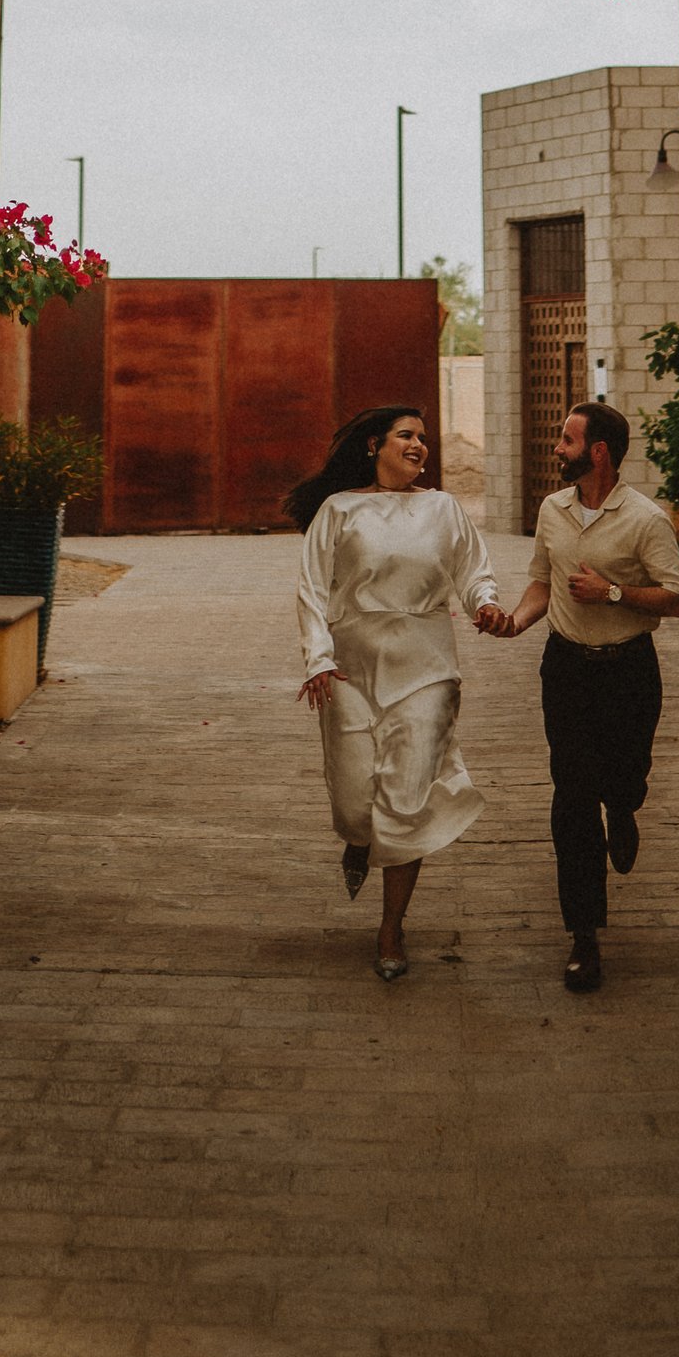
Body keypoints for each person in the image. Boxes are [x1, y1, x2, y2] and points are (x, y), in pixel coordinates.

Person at [479, 397, 679, 992]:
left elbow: (677, 599)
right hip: (566, 668)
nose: (557, 449)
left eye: (567, 441)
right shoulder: (553, 510)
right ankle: (583, 935)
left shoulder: (645, 519)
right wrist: (514, 622)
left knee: (622, 779)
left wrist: (616, 594)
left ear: (597, 452)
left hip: (628, 673)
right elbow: (543, 583)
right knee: (572, 795)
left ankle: (623, 805)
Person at [290, 403, 504, 983]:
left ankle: (391, 928)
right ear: (373, 445)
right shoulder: (338, 511)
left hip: (426, 667)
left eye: (423, 438)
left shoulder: (444, 509)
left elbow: (474, 569)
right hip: (351, 668)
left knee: (407, 801)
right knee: (357, 800)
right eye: (406, 436)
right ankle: (361, 840)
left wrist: (484, 602)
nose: (418, 445)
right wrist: (318, 657)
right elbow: (311, 590)